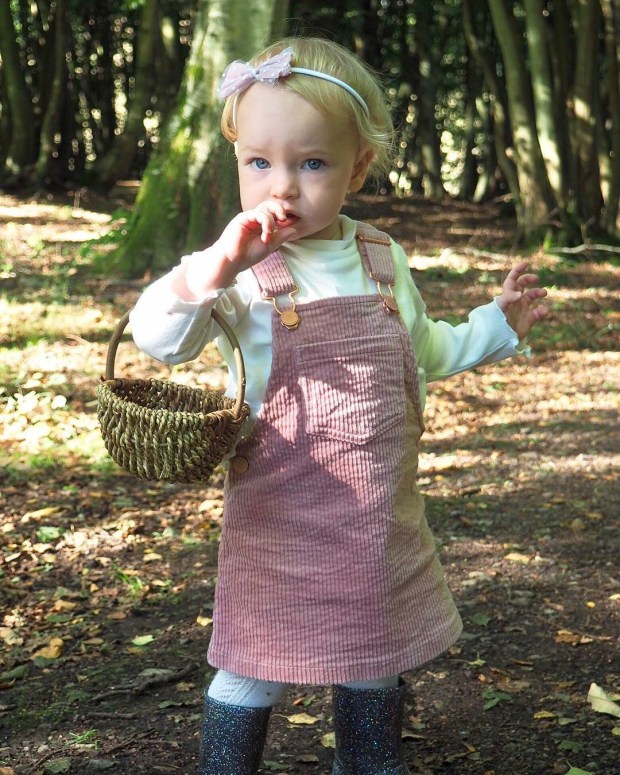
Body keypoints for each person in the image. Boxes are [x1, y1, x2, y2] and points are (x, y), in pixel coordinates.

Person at [129, 36, 549, 775]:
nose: (280, 189)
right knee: (253, 657)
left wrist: (496, 323)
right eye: (259, 163)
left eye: (311, 163)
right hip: (278, 513)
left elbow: (425, 350)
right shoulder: (244, 267)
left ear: (358, 164)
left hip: (375, 513)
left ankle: (371, 762)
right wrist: (210, 270)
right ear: (237, 159)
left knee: (372, 654)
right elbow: (158, 339)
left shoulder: (381, 256)